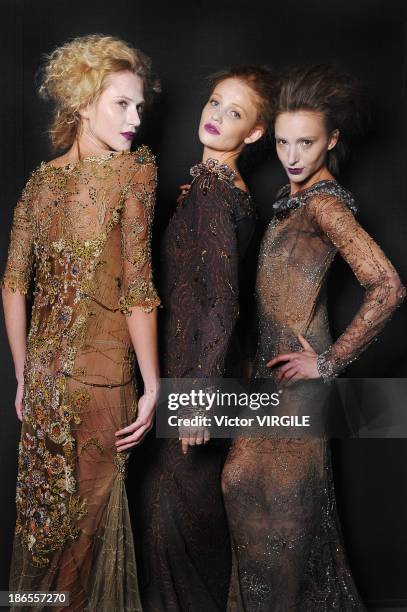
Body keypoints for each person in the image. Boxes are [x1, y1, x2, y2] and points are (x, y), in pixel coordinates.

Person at [221, 64, 405, 611]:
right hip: (264, 383)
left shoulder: (324, 202)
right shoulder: (291, 194)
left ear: (332, 140)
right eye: (282, 142)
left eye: (306, 142)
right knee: (250, 497)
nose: (293, 155)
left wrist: (328, 362)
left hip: (298, 388)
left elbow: (388, 286)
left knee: (278, 514)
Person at [1, 34, 161, 611]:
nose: (136, 119)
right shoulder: (133, 174)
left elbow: (13, 284)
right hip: (100, 382)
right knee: (81, 538)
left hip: (44, 384)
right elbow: (138, 287)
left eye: (140, 106)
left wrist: (23, 374)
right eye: (122, 103)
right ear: (81, 103)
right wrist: (154, 384)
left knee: (46, 526)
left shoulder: (38, 184)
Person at [133, 66, 275, 611]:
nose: (216, 117)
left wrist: (200, 399)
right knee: (169, 526)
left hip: (193, 386)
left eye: (234, 113)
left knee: (177, 528)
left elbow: (223, 303)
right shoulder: (213, 188)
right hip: (181, 375)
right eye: (215, 102)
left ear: (255, 133)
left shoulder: (216, 190)